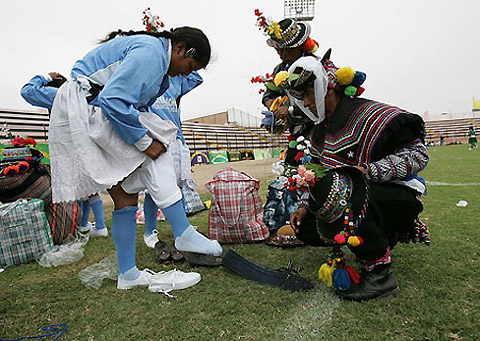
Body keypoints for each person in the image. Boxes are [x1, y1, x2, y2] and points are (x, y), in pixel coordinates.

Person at [48, 26, 222, 292]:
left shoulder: (155, 55)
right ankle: (183, 233)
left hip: (89, 105)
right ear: (179, 48)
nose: (188, 73)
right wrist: (144, 141)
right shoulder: (152, 53)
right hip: (89, 108)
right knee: (159, 149)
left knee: (125, 195)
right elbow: (113, 99)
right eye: (190, 65)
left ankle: (128, 274)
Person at [286, 56, 430, 301]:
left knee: (347, 191)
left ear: (328, 88)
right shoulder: (317, 132)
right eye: (302, 97)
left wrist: (369, 171)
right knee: (306, 225)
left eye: (310, 93)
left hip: (395, 199)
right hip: (359, 200)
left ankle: (380, 274)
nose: (307, 103)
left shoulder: (369, 113)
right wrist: (304, 207)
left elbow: (418, 155)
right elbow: (320, 178)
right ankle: (371, 240)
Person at [20, 73, 108, 237]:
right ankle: (85, 225)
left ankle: (97, 226)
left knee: (78, 188)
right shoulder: (78, 94)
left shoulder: (57, 95)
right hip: (86, 142)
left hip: (68, 146)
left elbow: (27, 91)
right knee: (86, 186)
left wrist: (45, 77)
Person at [142, 71, 203, 259]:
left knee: (178, 186)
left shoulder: (176, 78)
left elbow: (196, 78)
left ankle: (182, 231)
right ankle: (150, 231)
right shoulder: (148, 76)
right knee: (153, 189)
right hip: (156, 138)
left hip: (177, 139)